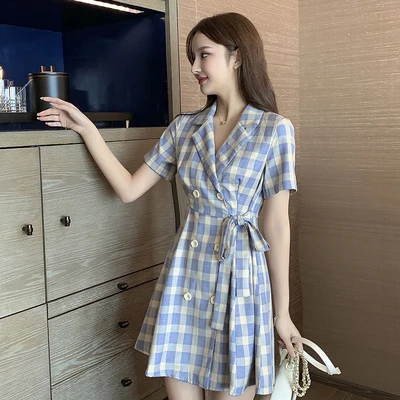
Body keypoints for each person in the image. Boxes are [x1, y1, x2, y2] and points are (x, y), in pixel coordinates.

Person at [37, 12, 301, 400]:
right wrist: (87, 128)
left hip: (241, 281)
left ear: (237, 57)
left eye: (204, 55)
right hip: (186, 277)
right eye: (192, 57)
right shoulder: (184, 128)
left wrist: (282, 313)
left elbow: (276, 224)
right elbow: (128, 189)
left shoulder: (274, 129)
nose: (194, 67)